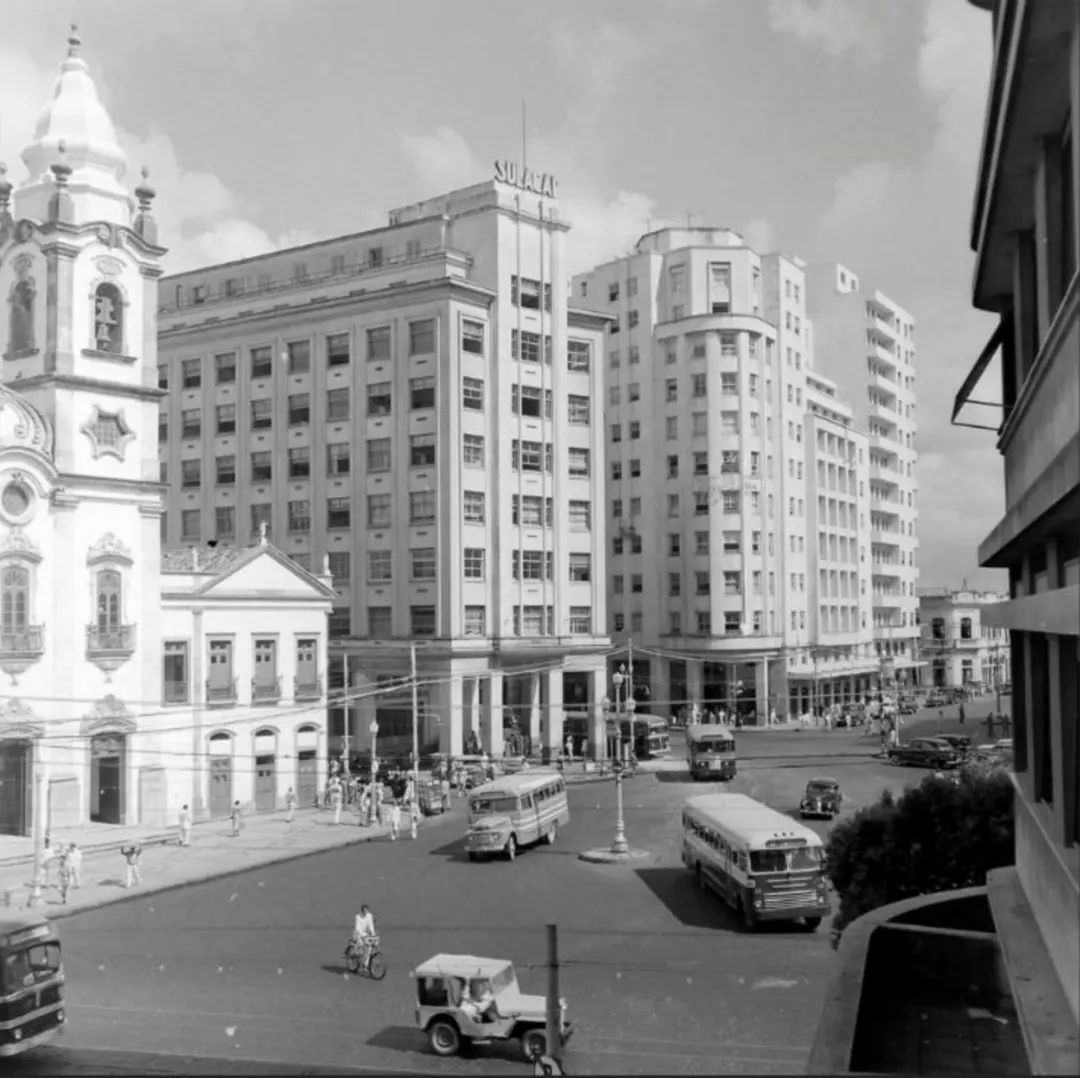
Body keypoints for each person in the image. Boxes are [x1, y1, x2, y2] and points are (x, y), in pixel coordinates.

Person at [351, 904, 377, 970]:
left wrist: (373, 934)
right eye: (364, 911)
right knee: (361, 945)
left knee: (369, 947)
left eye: (367, 911)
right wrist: (364, 935)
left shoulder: (369, 916)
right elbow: (358, 929)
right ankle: (356, 956)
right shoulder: (358, 917)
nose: (366, 912)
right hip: (358, 935)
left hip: (367, 935)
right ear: (362, 911)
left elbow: (371, 926)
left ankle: (365, 964)